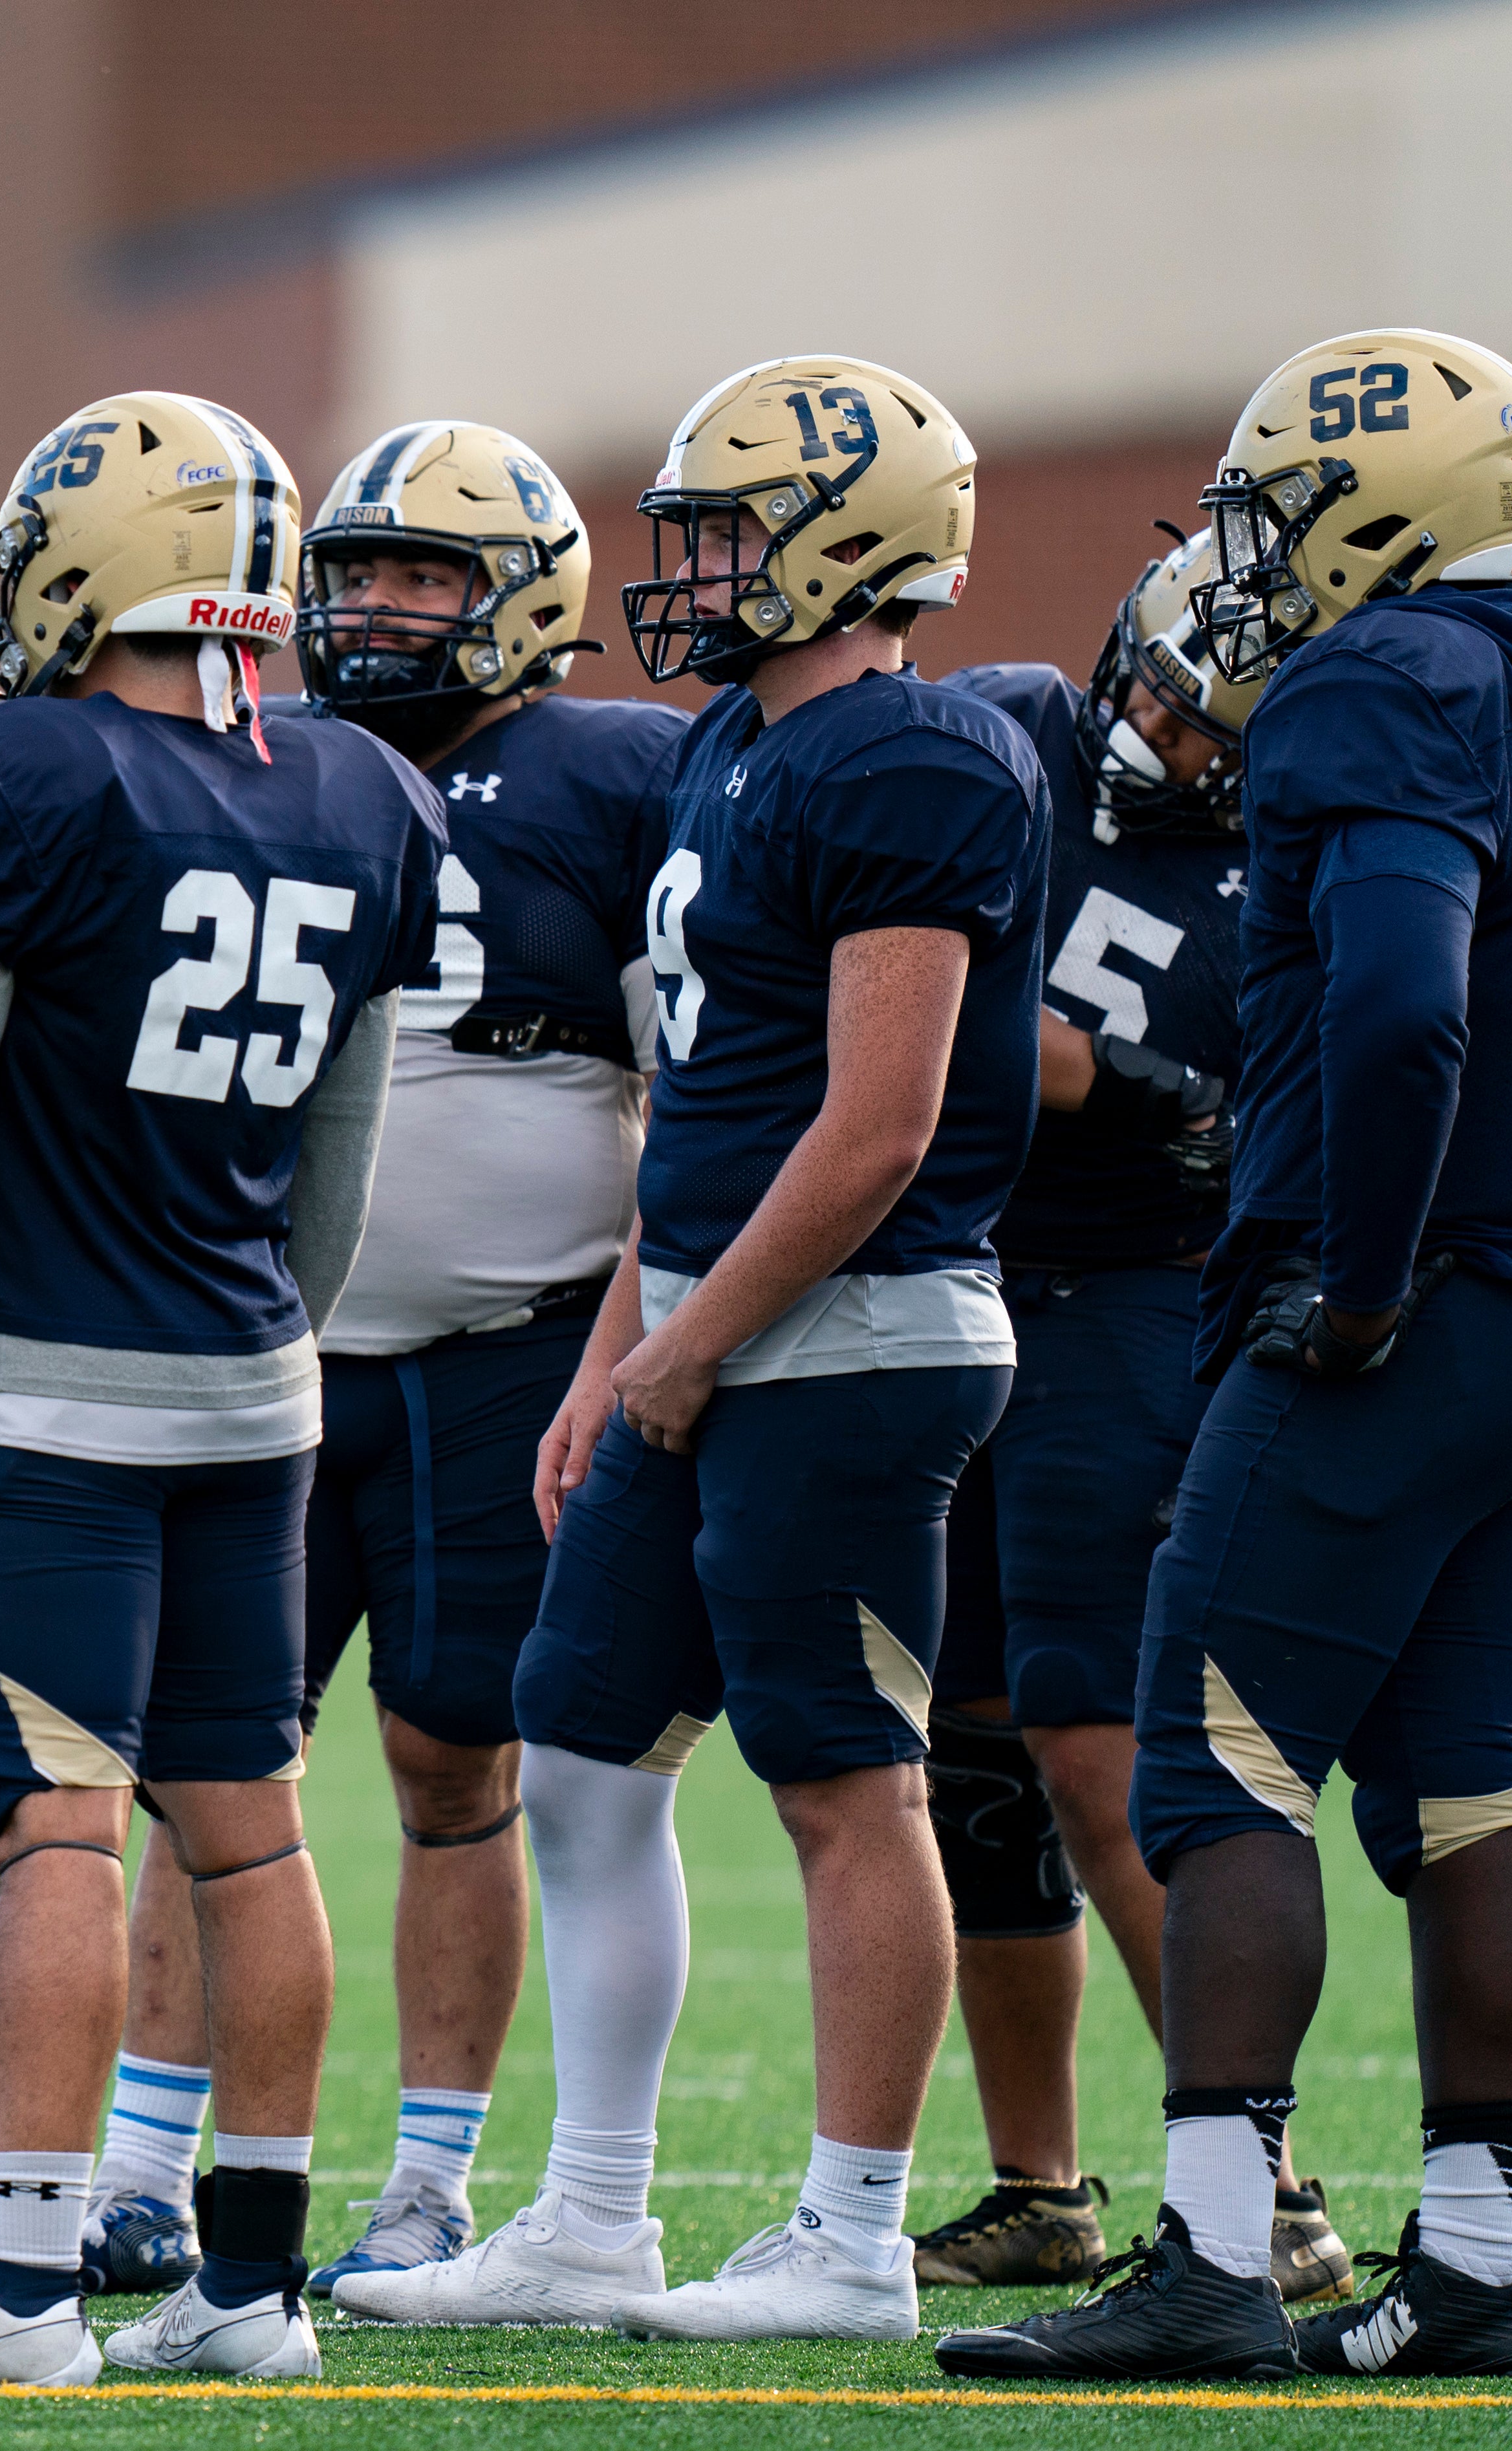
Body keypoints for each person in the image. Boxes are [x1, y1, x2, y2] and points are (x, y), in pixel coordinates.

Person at [340, 354, 1042, 2345]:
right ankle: (591, 2213)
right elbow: (717, 1098)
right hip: (709, 1329)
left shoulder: (914, 756)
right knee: (574, 1753)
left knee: (844, 1776)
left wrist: (686, 1339)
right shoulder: (733, 743)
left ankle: (852, 2232)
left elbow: (879, 1121)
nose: (701, 567)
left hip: (855, 1330)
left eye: (736, 528)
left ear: (857, 537)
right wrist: (618, 1350)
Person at [939, 328, 1512, 2383]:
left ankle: (1220, 2251)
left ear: (1391, 516)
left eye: (1280, 510)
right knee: (1474, 1791)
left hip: (1415, 1291)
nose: (1246, 560)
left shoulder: (1385, 677)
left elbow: (1400, 1003)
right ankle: (1475, 2262)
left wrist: (1369, 1271)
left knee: (1214, 1758)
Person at [0, 391, 442, 2385]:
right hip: (259, 1397)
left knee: (62, 1833)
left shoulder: (23, 779)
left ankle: (27, 2290)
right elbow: (342, 1167)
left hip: (54, 1415)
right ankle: (255, 2287)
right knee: (251, 1835)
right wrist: (266, 1347)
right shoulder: (358, 794)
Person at [78, 422, 682, 2304]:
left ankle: (430, 2180)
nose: (378, 611)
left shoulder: (613, 775)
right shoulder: (279, 765)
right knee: (205, 1764)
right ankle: (138, 2168)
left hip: (513, 1347)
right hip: (279, 1345)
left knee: (450, 1751)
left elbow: (696, 1081)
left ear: (526, 597)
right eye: (356, 575)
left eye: (426, 574)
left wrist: (633, 1332)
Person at [915, 535, 1350, 2298]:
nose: (1159, 728)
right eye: (1154, 687)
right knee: (977, 1766)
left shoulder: (1279, 883)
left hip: (1132, 1314)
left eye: (1200, 718)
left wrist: (1133, 1084)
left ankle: (1267, 2190)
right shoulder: (1014, 766)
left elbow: (1257, 1109)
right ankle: (1043, 2185)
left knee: (1100, 1751)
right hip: (975, 1289)